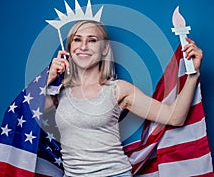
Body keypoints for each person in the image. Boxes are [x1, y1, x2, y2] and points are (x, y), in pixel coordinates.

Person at [44, 20, 203, 177]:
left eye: (92, 40)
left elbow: (175, 117)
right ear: (70, 48)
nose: (83, 46)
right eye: (77, 39)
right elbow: (26, 114)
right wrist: (49, 77)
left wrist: (192, 76)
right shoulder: (59, 91)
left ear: (105, 48)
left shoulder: (118, 89)